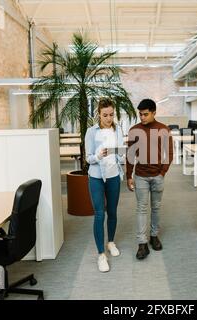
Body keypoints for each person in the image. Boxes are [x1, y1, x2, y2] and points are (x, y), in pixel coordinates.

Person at [126, 98, 174, 260]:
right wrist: (128, 175)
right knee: (141, 208)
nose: (142, 118)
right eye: (140, 115)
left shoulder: (164, 129)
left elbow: (170, 154)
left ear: (154, 112)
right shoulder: (134, 130)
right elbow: (130, 155)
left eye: (146, 114)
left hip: (158, 176)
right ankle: (142, 243)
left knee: (156, 207)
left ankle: (154, 236)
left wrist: (163, 172)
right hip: (140, 176)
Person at [85, 98, 125, 272]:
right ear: (99, 114)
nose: (109, 118)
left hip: (114, 175)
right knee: (99, 214)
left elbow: (121, 152)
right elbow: (88, 158)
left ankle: (110, 242)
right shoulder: (91, 132)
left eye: (111, 115)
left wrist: (123, 156)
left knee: (113, 212)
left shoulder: (118, 130)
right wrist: (98, 156)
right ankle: (101, 255)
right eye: (105, 115)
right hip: (96, 177)